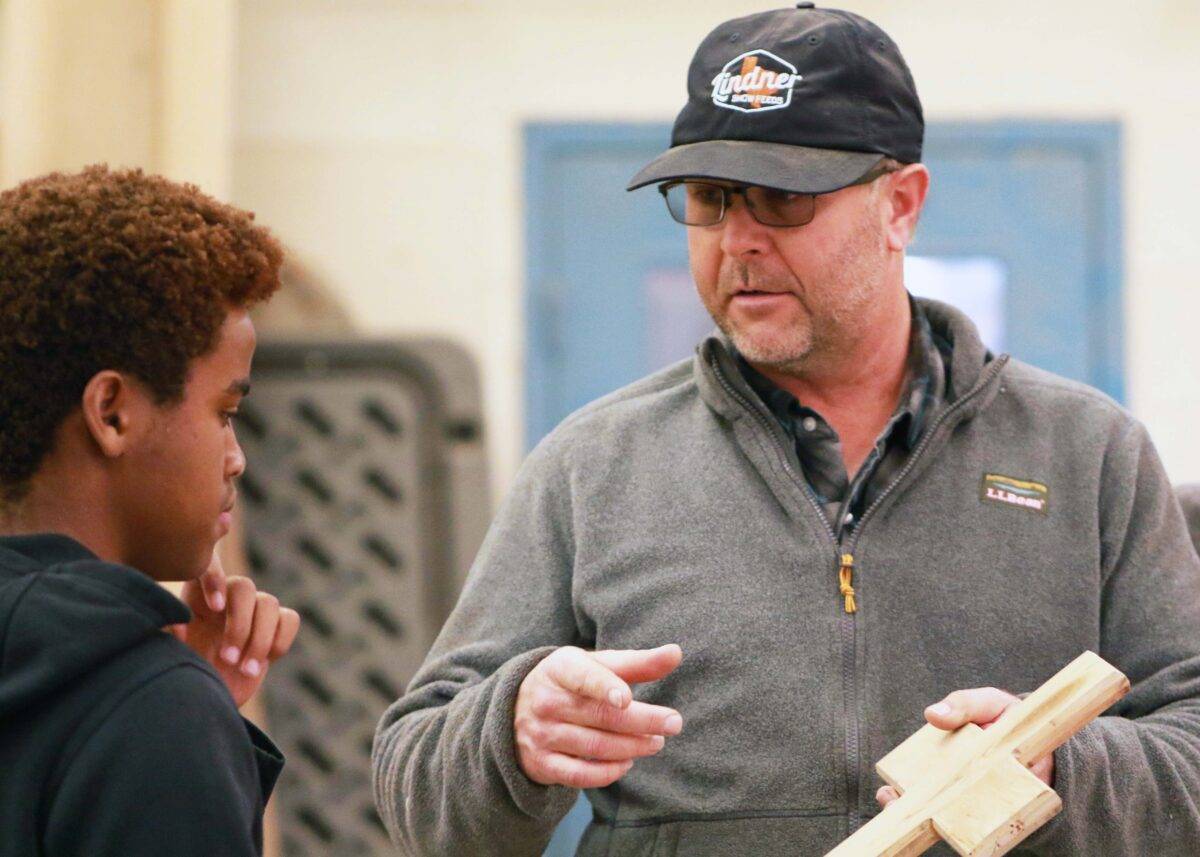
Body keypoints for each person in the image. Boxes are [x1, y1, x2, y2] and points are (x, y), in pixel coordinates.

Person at [373, 6, 1200, 855]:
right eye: (710, 199)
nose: (739, 240)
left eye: (783, 199)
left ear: (901, 206)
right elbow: (415, 783)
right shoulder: (592, 466)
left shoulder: (1088, 453)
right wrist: (511, 733)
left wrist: (1062, 772)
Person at [0, 165, 301, 856]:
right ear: (112, 412)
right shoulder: (150, 711)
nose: (236, 457)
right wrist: (176, 726)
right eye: (225, 411)